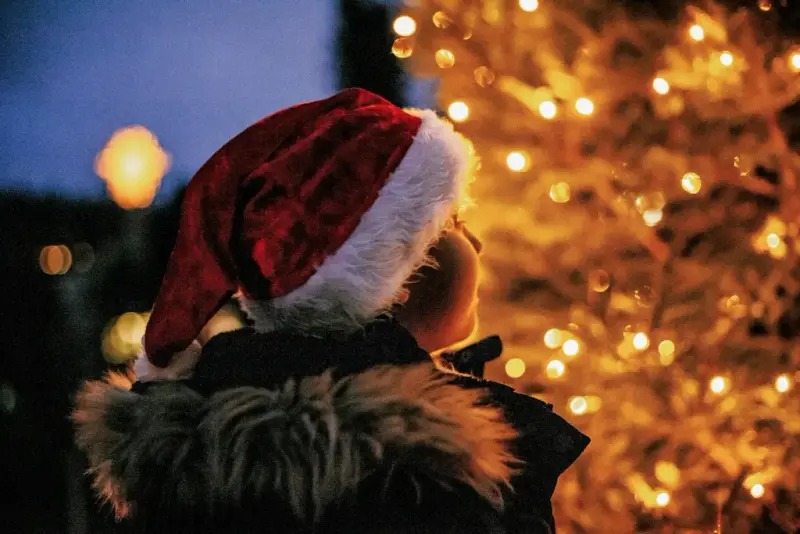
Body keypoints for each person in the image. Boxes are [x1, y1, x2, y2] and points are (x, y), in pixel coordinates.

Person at [72, 88, 589, 533]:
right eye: (452, 222)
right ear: (394, 274)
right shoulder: (417, 483)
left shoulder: (206, 446)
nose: (474, 240)